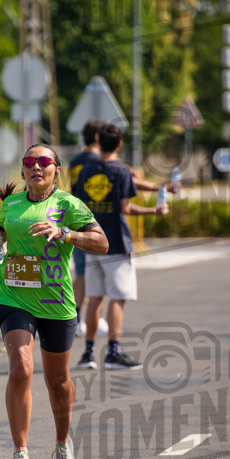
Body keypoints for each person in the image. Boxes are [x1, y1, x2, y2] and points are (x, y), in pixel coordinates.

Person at [0, 144, 108, 459]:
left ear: (56, 169)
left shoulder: (68, 204)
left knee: (57, 382)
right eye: (29, 162)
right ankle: (20, 456)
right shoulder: (11, 205)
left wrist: (66, 233)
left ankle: (63, 445)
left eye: (44, 162)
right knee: (21, 367)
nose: (36, 167)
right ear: (22, 171)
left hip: (55, 301)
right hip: (14, 294)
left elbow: (102, 243)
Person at [75, 122, 168, 370]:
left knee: (94, 298)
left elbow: (78, 206)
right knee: (118, 298)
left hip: (90, 241)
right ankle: (113, 353)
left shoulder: (85, 171)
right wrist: (153, 211)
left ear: (98, 140)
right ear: (119, 144)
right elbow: (125, 208)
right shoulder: (121, 171)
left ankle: (88, 353)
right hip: (115, 242)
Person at [68, 118, 109, 339]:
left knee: (82, 273)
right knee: (91, 275)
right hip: (93, 222)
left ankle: (79, 318)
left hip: (75, 220)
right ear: (97, 137)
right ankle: (81, 318)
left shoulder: (75, 161)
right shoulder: (98, 161)